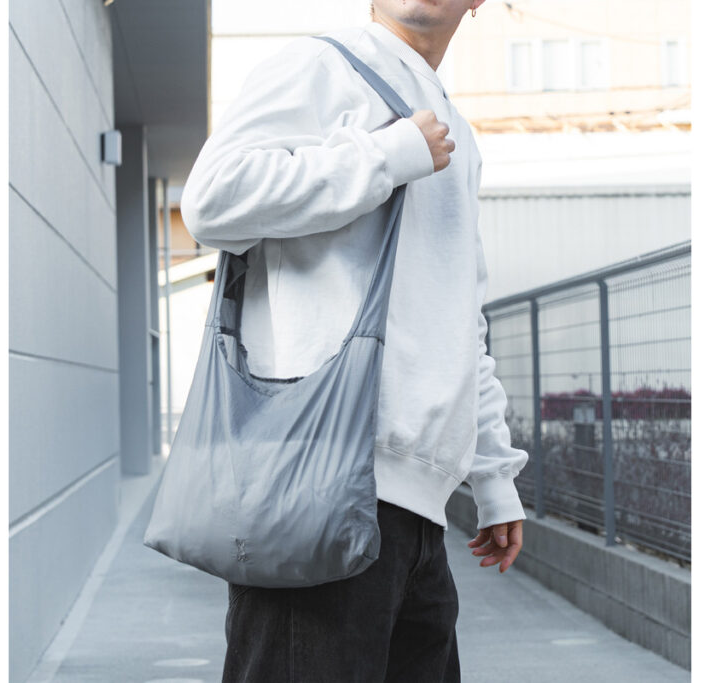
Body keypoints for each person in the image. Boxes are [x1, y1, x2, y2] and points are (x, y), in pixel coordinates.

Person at [179, 1, 529, 680]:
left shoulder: (458, 130)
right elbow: (212, 198)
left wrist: (492, 474)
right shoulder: (319, 65)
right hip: (316, 480)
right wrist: (386, 155)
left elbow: (462, 314)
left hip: (420, 514)